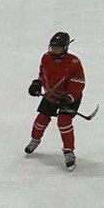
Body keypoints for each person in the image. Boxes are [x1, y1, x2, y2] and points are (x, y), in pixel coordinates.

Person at [26, 31, 85, 171]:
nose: (53, 51)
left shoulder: (74, 62)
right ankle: (34, 140)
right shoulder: (46, 58)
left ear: (65, 48)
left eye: (57, 48)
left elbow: (78, 82)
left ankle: (69, 151)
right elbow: (43, 75)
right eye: (52, 47)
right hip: (51, 95)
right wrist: (37, 84)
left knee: (64, 121)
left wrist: (69, 97)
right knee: (41, 119)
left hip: (70, 98)